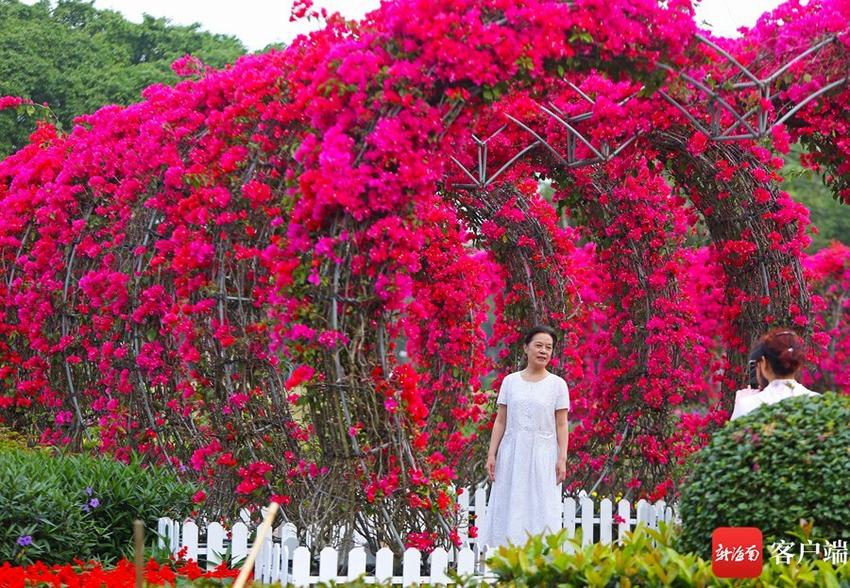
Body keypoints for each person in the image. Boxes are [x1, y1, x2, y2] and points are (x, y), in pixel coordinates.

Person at [478, 325, 570, 549]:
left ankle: (542, 559)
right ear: (526, 348)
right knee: (510, 501)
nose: (543, 351)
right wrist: (492, 453)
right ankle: (505, 556)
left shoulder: (558, 385)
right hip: (512, 452)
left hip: (544, 454)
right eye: (538, 345)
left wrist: (562, 458)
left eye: (548, 347)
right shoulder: (510, 382)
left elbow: (561, 424)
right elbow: (500, 420)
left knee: (542, 504)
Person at [730, 329, 819, 421]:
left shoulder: (748, 404)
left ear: (764, 363)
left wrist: (741, 404)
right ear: (798, 363)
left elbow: (734, 434)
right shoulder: (817, 402)